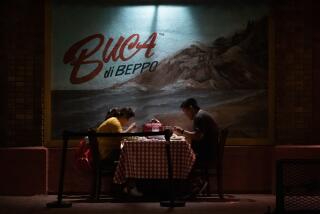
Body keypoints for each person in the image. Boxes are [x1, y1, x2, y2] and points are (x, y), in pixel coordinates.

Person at [174, 98, 219, 196]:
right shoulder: (202, 114)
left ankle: (194, 186)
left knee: (182, 161)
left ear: (191, 108)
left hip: (206, 155)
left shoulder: (199, 117)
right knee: (183, 159)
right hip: (210, 152)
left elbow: (198, 136)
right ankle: (193, 186)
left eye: (186, 112)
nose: (186, 115)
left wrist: (182, 132)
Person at [97, 107, 142, 197]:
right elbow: (121, 136)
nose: (127, 122)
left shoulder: (113, 121)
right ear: (124, 116)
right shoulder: (114, 122)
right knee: (131, 158)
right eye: (128, 119)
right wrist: (130, 128)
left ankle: (128, 187)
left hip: (108, 153)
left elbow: (120, 137)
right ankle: (130, 187)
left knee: (130, 156)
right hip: (108, 155)